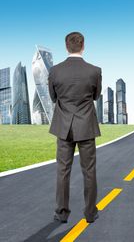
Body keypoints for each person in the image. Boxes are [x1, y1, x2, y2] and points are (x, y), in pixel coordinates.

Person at [48, 32, 102, 223]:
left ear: (66, 46)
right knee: (89, 171)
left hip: (64, 127)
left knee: (63, 171)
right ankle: (90, 213)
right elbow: (96, 96)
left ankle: (61, 214)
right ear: (83, 46)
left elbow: (54, 98)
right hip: (86, 126)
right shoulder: (94, 71)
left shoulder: (55, 71)